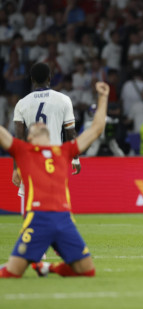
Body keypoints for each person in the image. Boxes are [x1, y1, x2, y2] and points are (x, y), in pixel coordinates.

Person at [0, 81, 110, 278]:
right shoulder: (23, 151)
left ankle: (46, 268)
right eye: (33, 127)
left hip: (64, 219)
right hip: (38, 219)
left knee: (87, 271)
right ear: (30, 138)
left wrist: (103, 97)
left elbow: (96, 130)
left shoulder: (64, 150)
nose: (38, 124)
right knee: (12, 273)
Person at [12, 62, 81, 214]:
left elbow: (18, 140)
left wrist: (16, 168)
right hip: (54, 160)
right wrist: (75, 158)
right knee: (56, 205)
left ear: (32, 80)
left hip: (31, 161)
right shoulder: (63, 100)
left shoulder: (21, 104)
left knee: (31, 206)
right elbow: (70, 133)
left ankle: (31, 235)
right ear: (50, 79)